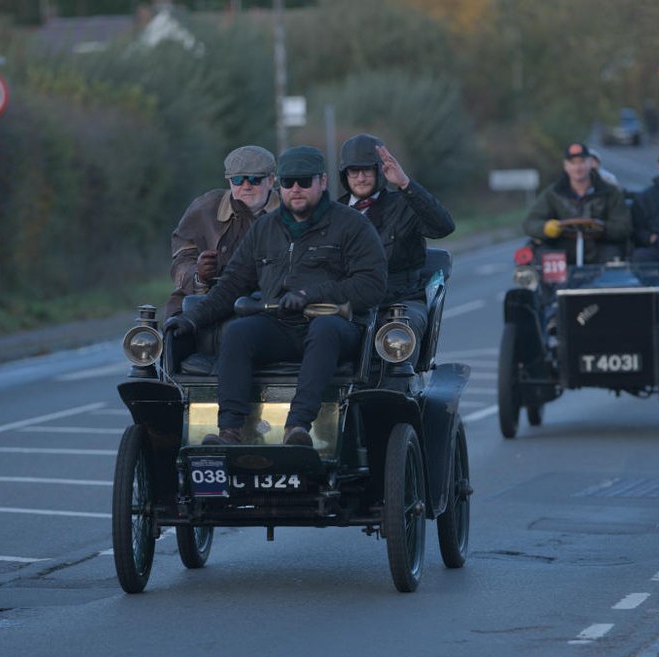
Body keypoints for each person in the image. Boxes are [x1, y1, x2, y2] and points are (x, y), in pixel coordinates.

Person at [162, 146, 386, 448]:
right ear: (279, 185)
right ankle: (229, 432)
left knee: (324, 330)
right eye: (289, 182)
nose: (296, 189)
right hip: (280, 324)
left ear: (322, 182)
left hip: (335, 325)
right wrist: (190, 319)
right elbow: (231, 286)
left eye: (304, 182)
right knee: (238, 332)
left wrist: (311, 294)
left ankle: (297, 428)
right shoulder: (266, 229)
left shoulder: (353, 225)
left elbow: (372, 285)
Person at [336, 133, 455, 371]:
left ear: (380, 171)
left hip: (399, 300)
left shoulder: (404, 205)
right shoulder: (332, 213)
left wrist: (405, 185)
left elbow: (443, 226)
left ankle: (396, 399)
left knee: (400, 337)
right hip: (347, 303)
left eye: (367, 170)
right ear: (344, 175)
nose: (360, 178)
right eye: (354, 171)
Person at [162, 145, 280, 319]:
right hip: (208, 298)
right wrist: (198, 275)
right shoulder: (205, 208)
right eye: (238, 180)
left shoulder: (291, 211)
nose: (246, 186)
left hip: (273, 303)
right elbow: (182, 258)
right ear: (229, 182)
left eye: (254, 179)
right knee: (175, 330)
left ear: (271, 180)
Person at [524, 141, 632, 264]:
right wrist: (547, 228)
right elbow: (530, 223)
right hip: (564, 249)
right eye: (573, 163)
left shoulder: (610, 192)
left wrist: (602, 228)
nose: (577, 167)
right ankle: (555, 283)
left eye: (582, 162)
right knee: (544, 257)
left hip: (600, 248)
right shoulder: (553, 193)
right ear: (566, 166)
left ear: (590, 163)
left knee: (614, 259)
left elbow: (624, 226)